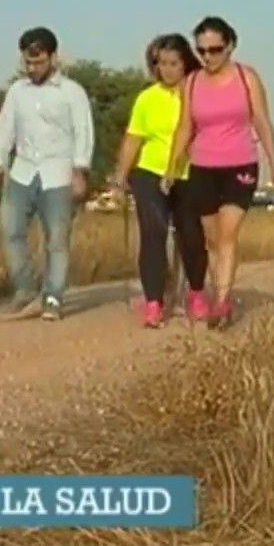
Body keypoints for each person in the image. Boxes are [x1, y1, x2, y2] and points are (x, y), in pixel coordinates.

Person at [164, 16, 274, 329]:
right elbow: (185, 127)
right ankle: (220, 291)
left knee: (228, 233)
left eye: (215, 49)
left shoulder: (247, 78)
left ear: (230, 46)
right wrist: (171, 167)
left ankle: (220, 303)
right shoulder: (191, 83)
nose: (208, 57)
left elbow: (262, 121)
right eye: (202, 50)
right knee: (212, 240)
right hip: (203, 167)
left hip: (240, 165)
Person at [0, 27, 94, 322]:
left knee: (57, 239)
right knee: (10, 230)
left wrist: (80, 170)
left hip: (57, 172)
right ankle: (24, 290)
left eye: (39, 62)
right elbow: (4, 127)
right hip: (23, 170)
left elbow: (83, 132)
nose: (33, 68)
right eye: (28, 63)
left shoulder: (72, 92)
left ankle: (52, 297)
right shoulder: (17, 92)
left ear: (53, 58)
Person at [108, 33, 209, 329]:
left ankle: (196, 292)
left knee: (190, 235)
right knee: (153, 231)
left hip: (189, 172)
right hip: (149, 171)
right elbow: (132, 140)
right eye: (161, 63)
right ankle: (154, 301)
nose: (166, 69)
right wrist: (119, 179)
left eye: (173, 63)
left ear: (185, 63)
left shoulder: (197, 94)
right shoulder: (147, 98)